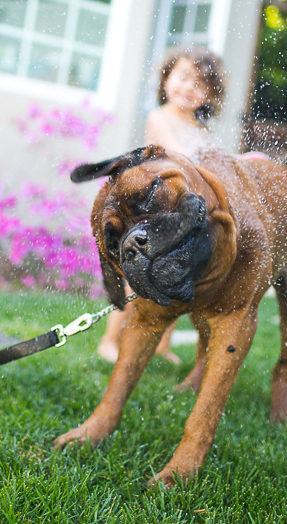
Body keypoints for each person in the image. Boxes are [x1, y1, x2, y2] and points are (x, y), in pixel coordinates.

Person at [96, 45, 226, 365]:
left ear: (209, 96)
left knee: (178, 275)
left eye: (199, 84)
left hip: (182, 214)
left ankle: (161, 343)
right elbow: (179, 153)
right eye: (183, 77)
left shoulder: (202, 130)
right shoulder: (160, 118)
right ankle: (110, 340)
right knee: (134, 275)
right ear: (167, 79)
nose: (188, 88)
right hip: (154, 209)